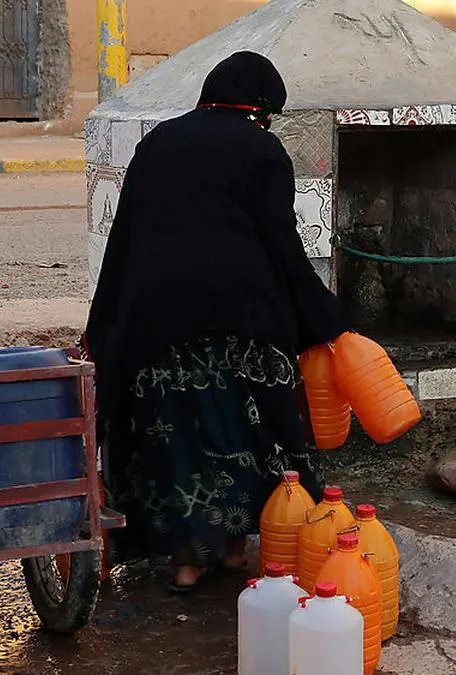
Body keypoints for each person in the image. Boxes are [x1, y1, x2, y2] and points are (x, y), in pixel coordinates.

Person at [83, 51, 350, 591]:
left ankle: (186, 561)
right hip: (241, 327)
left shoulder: (156, 142)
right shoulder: (262, 150)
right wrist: (326, 315)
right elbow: (281, 246)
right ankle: (233, 550)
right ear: (262, 108)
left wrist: (103, 323)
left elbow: (123, 241)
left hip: (154, 327)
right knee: (246, 440)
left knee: (174, 440)